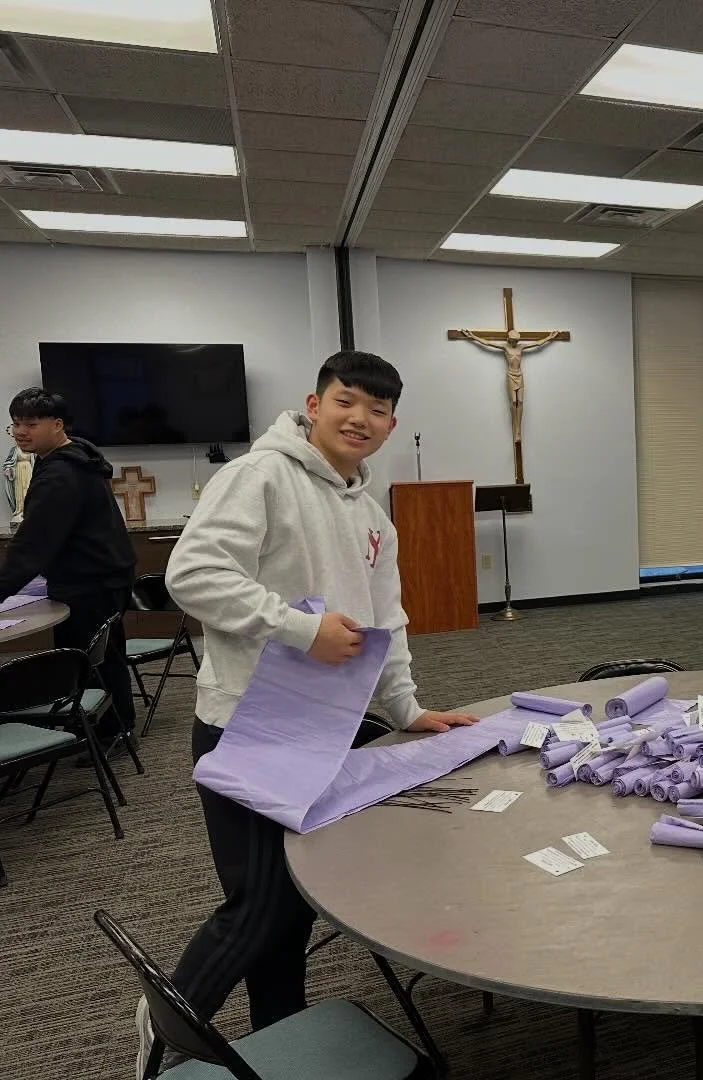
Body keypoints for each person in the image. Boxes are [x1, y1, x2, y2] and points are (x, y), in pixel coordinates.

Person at [139, 351, 476, 1076]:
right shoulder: (259, 476)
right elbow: (190, 577)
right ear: (314, 404)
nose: (362, 418)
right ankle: (165, 1021)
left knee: (292, 906)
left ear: (391, 424)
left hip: (328, 726)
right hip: (251, 723)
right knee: (259, 904)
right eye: (348, 400)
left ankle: (274, 1040)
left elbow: (388, 619)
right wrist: (299, 627)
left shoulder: (369, 508)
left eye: (379, 410)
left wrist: (406, 708)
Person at [0, 388, 136, 741]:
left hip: (88, 582)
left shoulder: (60, 474)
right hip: (107, 574)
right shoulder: (77, 457)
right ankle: (115, 728)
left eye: (31, 423)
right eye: (15, 424)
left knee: (90, 661)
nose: (20, 431)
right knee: (106, 658)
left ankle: (110, 734)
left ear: (57, 424)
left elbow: (31, 547)